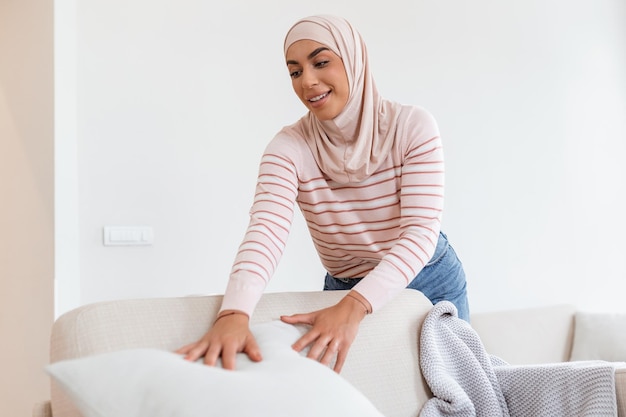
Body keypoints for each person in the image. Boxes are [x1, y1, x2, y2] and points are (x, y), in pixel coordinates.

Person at [176, 14, 469, 373]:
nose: (308, 81)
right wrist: (234, 313)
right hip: (344, 286)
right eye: (295, 71)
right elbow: (265, 232)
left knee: (462, 390)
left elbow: (420, 233)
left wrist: (354, 305)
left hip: (429, 278)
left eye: (321, 62)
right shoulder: (289, 148)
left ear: (353, 59)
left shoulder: (411, 126)